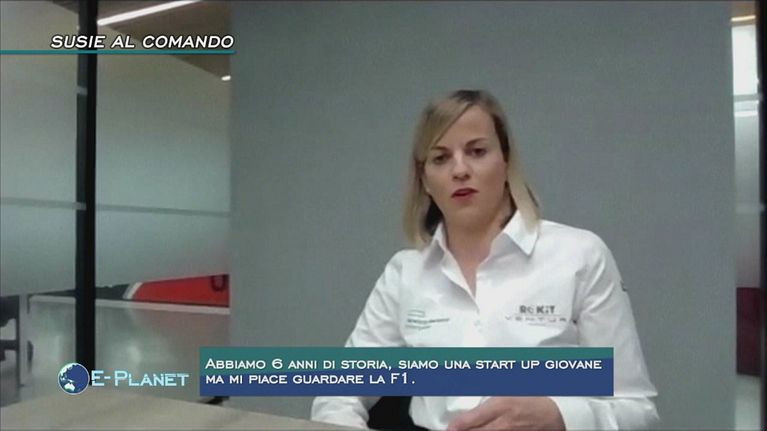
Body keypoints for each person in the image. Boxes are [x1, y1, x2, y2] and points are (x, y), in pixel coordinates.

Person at [311, 90, 659, 430]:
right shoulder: (405, 273)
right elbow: (337, 394)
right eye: (440, 158)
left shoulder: (579, 255)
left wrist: (560, 417)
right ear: (425, 180)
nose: (460, 170)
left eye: (476, 151)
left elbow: (637, 411)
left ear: (505, 162)